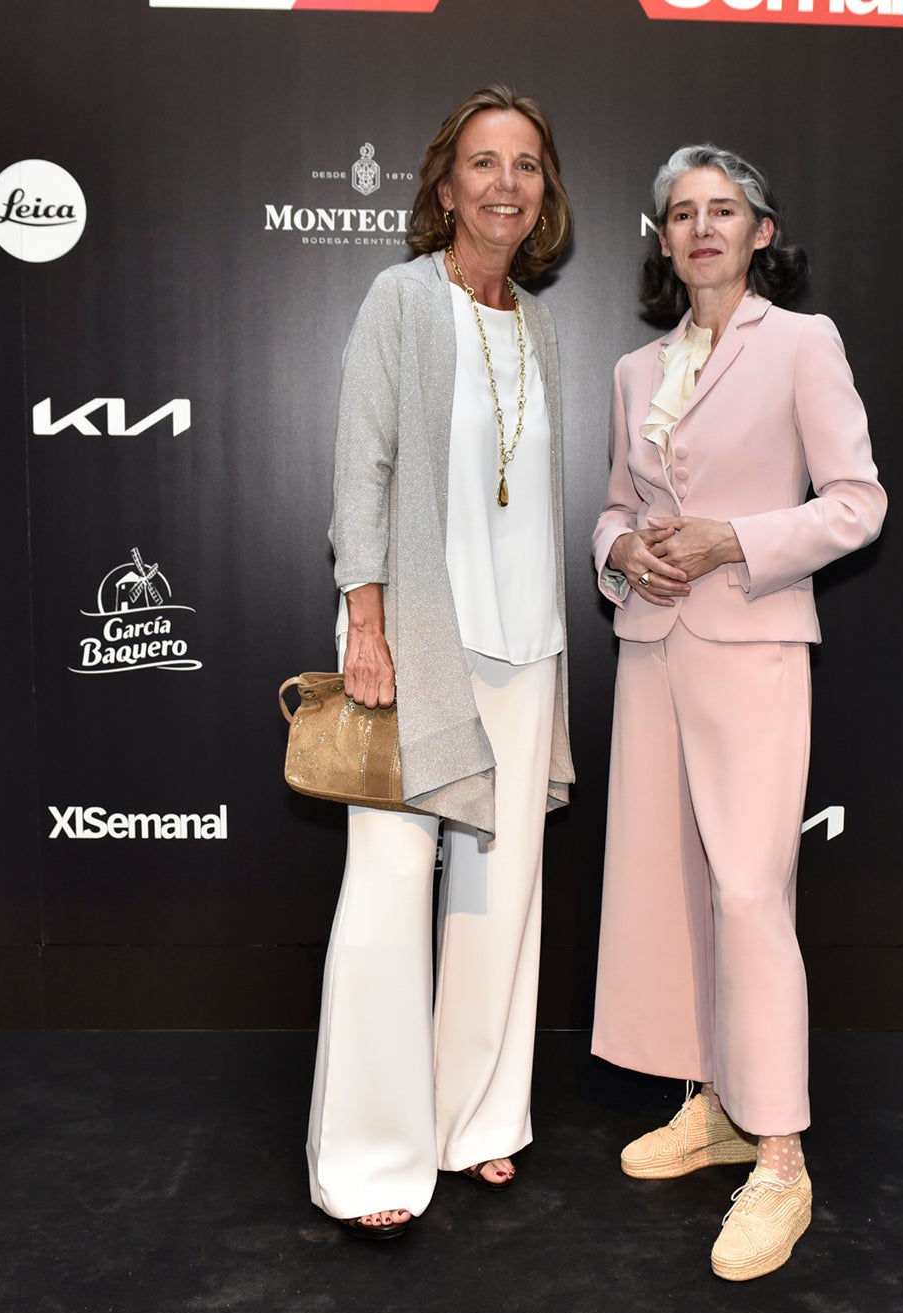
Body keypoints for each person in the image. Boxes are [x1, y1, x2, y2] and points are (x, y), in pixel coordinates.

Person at [590, 144, 886, 1280]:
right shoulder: (633, 370)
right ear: (660, 240)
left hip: (753, 646)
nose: (700, 227)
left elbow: (857, 501)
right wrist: (621, 549)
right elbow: (614, 507)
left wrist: (737, 540)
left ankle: (780, 1157)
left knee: (751, 891)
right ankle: (708, 1101)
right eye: (680, 213)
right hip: (654, 651)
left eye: (723, 210)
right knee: (673, 892)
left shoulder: (801, 344)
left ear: (761, 231)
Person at [308, 85, 576, 1241]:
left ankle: (475, 1120)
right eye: (483, 163)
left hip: (528, 645)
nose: (504, 184)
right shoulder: (398, 301)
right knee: (385, 894)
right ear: (445, 183)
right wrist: (363, 624)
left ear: (543, 192)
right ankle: (371, 1151)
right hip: (417, 636)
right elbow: (359, 469)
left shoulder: (540, 322)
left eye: (524, 165)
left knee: (497, 894)